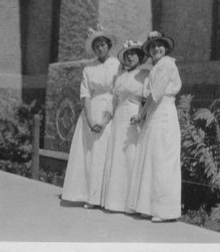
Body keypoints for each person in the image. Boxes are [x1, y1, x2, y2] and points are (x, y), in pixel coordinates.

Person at [61, 26, 120, 209]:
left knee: (105, 153)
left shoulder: (117, 65)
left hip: (109, 110)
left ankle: (104, 198)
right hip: (91, 110)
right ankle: (89, 196)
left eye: (103, 45)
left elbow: (116, 93)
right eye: (97, 46)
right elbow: (85, 94)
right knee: (89, 154)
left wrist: (103, 121)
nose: (100, 48)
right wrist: (90, 119)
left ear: (108, 46)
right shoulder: (89, 68)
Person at [127, 31, 182, 222]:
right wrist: (143, 116)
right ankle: (148, 206)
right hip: (155, 114)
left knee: (162, 159)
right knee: (151, 157)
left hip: (164, 113)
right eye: (152, 46)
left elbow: (155, 94)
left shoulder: (167, 64)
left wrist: (140, 114)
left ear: (165, 48)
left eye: (159, 45)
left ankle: (164, 210)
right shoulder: (155, 67)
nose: (156, 48)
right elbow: (149, 94)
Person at [100, 40, 151, 213]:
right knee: (117, 157)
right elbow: (113, 100)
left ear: (140, 56)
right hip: (119, 119)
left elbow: (148, 100)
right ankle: (114, 201)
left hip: (133, 118)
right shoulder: (120, 75)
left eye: (133, 53)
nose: (129, 57)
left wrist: (141, 116)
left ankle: (131, 204)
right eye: (127, 54)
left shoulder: (145, 75)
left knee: (131, 156)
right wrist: (105, 120)